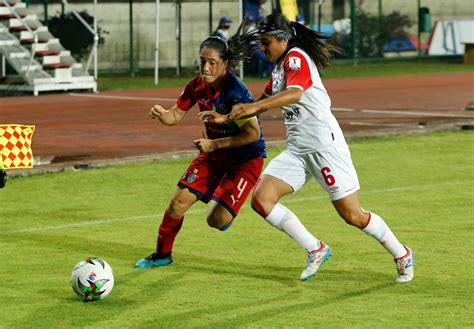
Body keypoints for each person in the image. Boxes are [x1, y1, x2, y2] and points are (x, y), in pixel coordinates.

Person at [199, 13, 415, 283]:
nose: (263, 49)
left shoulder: (295, 57)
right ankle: (316, 248)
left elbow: (295, 93)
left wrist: (253, 107)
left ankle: (402, 253)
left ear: (283, 40)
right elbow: (263, 101)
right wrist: (228, 117)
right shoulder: (279, 68)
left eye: (266, 43)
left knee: (352, 215)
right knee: (262, 199)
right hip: (298, 150)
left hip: (324, 147)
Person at [135, 22, 266, 268]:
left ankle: (226, 202)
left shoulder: (236, 92)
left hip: (244, 160)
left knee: (216, 220)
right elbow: (175, 115)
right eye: (202, 61)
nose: (205, 67)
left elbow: (252, 135)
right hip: (214, 153)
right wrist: (163, 114)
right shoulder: (197, 85)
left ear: (225, 65)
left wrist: (215, 145)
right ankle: (162, 255)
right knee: (177, 203)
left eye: (212, 63)